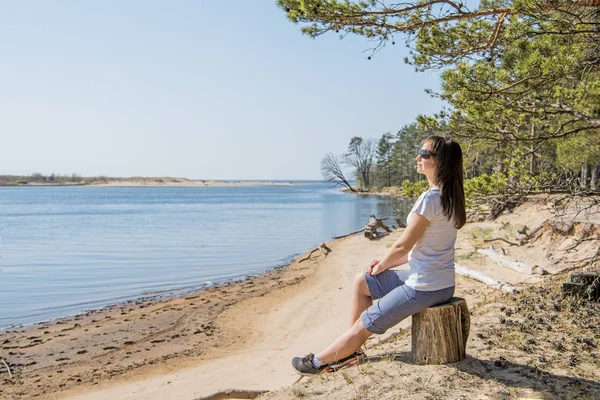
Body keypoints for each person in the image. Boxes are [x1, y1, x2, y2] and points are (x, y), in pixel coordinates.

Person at [292, 135, 466, 375]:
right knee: (362, 281)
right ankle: (352, 348)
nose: (418, 157)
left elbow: (402, 247)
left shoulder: (430, 199)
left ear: (441, 162)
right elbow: (422, 249)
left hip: (424, 287)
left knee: (366, 323)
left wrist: (383, 263)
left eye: (424, 154)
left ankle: (319, 362)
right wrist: (384, 266)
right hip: (442, 284)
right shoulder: (451, 198)